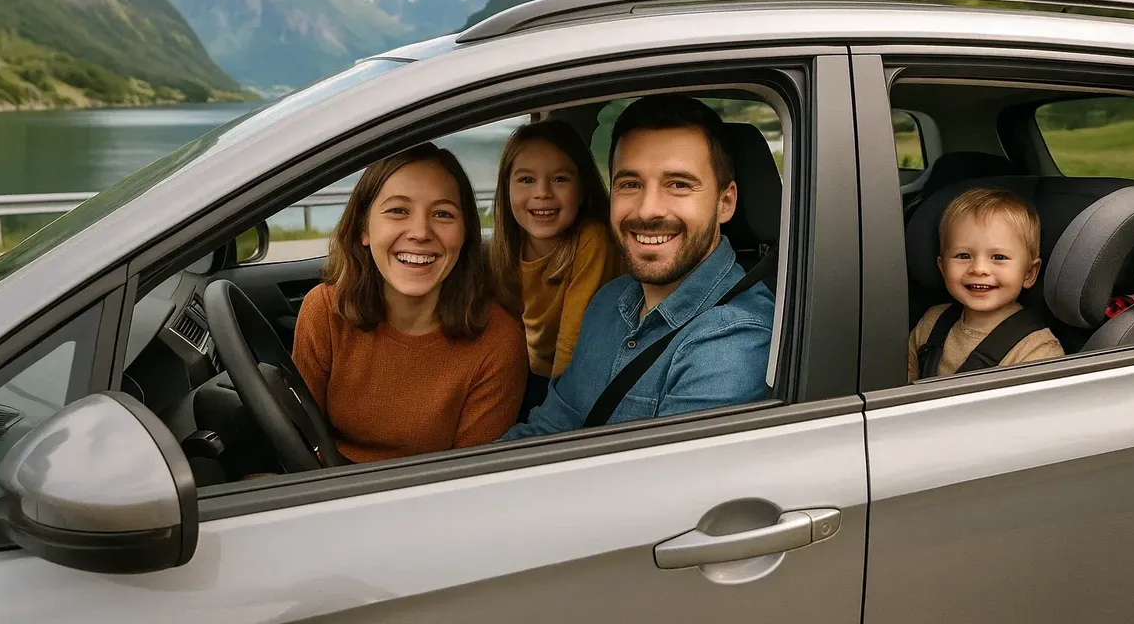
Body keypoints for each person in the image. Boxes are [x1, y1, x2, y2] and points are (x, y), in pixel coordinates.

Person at [503, 95, 775, 440]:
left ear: (725, 202)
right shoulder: (608, 301)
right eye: (630, 184)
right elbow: (549, 428)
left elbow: (660, 489)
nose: (647, 211)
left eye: (678, 184)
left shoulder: (732, 341)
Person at [292, 143, 527, 463]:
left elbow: (469, 481)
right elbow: (297, 440)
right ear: (364, 228)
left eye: (443, 214)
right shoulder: (324, 310)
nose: (420, 232)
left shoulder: (497, 340)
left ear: (465, 235)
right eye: (398, 210)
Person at [489, 120, 622, 421]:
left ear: (582, 188)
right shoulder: (507, 246)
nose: (542, 193)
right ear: (506, 186)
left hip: (575, 383)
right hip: (530, 374)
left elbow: (572, 345)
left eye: (560, 179)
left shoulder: (592, 240)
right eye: (526, 180)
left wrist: (551, 419)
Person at [908, 186, 1065, 381]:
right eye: (963, 255)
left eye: (999, 257)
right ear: (942, 267)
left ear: (1028, 273)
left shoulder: (1036, 351)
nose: (979, 269)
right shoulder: (931, 324)